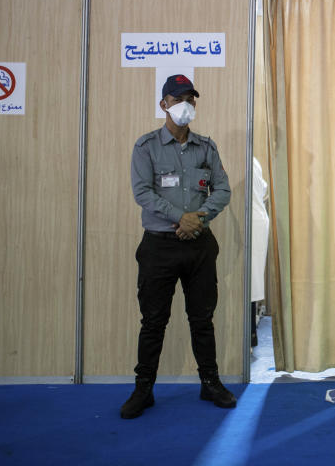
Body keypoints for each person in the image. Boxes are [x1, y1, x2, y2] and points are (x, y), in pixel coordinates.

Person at [120, 74, 236, 419]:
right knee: (153, 321)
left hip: (199, 245)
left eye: (191, 99)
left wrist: (198, 218)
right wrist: (180, 218)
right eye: (178, 98)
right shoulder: (146, 147)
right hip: (159, 247)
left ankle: (210, 382)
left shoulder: (207, 148)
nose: (186, 105)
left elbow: (223, 190)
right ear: (164, 105)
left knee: (202, 319)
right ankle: (143, 390)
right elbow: (143, 192)